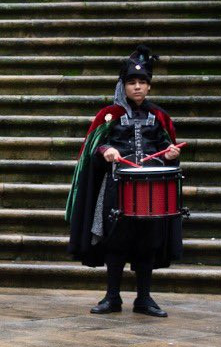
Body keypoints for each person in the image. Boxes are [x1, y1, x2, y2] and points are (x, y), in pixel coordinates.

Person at [68, 46, 184, 316]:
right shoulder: (108, 115)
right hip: (116, 188)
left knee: (148, 243)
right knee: (116, 242)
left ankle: (144, 298)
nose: (137, 87)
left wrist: (171, 154)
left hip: (151, 191)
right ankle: (112, 298)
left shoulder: (160, 117)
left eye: (142, 82)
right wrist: (105, 151)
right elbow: (92, 149)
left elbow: (168, 149)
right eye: (132, 82)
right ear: (124, 85)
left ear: (149, 87)